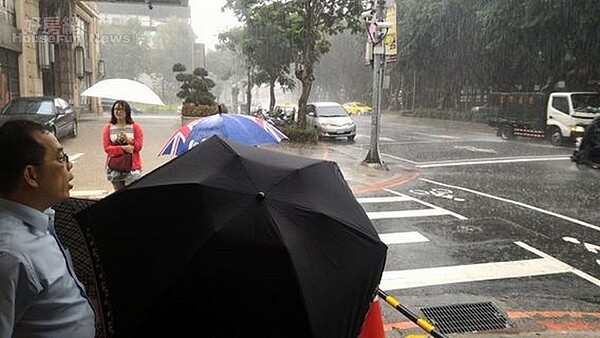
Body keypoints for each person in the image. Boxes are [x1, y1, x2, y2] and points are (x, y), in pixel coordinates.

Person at [0, 120, 96, 337]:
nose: (69, 166)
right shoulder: (11, 255)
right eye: (61, 158)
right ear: (31, 175)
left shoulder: (42, 217)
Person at [103, 100, 144, 191]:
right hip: (115, 166)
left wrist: (128, 140)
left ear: (127, 111)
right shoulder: (108, 128)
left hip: (132, 167)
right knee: (119, 193)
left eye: (122, 109)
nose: (118, 112)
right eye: (116, 109)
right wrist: (123, 148)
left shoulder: (135, 127)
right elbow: (107, 148)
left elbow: (138, 147)